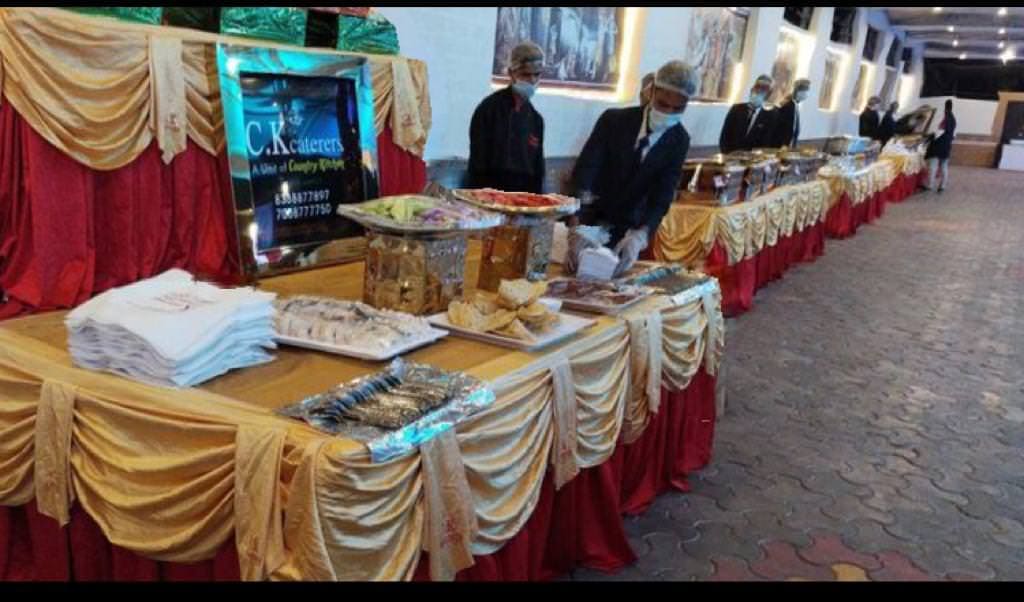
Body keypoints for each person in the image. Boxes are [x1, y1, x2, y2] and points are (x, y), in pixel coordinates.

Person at [572, 60, 695, 276]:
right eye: (663, 104)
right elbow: (586, 172)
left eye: (678, 108)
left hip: (628, 228)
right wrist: (578, 222)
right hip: (591, 216)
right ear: (652, 91)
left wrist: (642, 234)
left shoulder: (679, 140)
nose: (668, 112)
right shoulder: (614, 121)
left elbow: (662, 196)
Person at [468, 42, 546, 193]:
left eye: (536, 75)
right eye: (525, 74)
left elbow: (538, 170)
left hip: (524, 198)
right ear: (511, 73)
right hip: (491, 195)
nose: (532, 80)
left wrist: (536, 202)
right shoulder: (488, 110)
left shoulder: (536, 120)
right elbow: (478, 164)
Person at [719, 75, 776, 154]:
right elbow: (724, 136)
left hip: (753, 159)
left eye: (763, 89)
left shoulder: (771, 116)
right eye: (757, 87)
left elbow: (767, 143)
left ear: (769, 95)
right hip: (731, 156)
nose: (759, 91)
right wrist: (727, 154)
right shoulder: (736, 109)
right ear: (752, 89)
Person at [768, 78, 811, 149]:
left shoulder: (795, 105)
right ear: (799, 92)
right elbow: (782, 129)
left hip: (788, 145)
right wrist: (783, 145)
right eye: (805, 91)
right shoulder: (788, 106)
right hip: (781, 146)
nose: (806, 94)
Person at [925, 99, 956, 193]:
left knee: (933, 166)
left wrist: (929, 137)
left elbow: (939, 133)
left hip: (939, 146)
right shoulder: (953, 119)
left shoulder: (946, 119)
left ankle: (930, 185)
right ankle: (942, 186)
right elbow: (953, 134)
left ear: (945, 108)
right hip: (947, 146)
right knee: (944, 166)